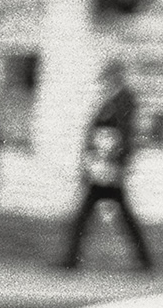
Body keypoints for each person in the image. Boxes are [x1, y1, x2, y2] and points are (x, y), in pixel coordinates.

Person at [62, 60, 151, 273]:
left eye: (108, 77)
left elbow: (125, 134)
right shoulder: (110, 99)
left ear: (116, 76)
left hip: (109, 167)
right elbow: (97, 132)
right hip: (101, 167)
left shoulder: (125, 99)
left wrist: (117, 163)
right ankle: (143, 260)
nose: (105, 81)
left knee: (91, 215)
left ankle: (71, 259)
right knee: (102, 215)